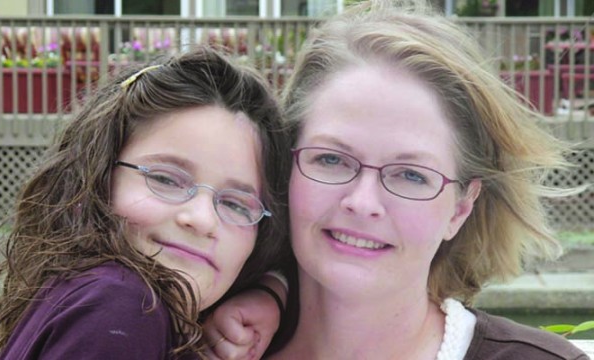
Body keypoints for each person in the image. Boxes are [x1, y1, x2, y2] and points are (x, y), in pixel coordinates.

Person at [204, 1, 589, 359]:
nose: (362, 201)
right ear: (285, 168)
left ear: (461, 208)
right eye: (332, 159)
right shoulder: (190, 343)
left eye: (411, 175)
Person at [0, 47, 291, 359]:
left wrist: (272, 291)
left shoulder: (94, 296)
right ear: (96, 176)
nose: (203, 219)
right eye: (165, 179)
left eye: (236, 204)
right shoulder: (123, 307)